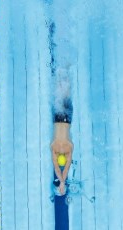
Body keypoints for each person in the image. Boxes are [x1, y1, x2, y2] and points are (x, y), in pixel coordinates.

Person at [51, 68, 73, 196]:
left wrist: (62, 181)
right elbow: (58, 168)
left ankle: (65, 71)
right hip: (58, 118)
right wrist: (62, 181)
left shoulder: (68, 148)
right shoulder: (55, 148)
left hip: (67, 119)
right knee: (60, 95)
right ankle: (60, 72)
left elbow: (63, 169)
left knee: (66, 93)